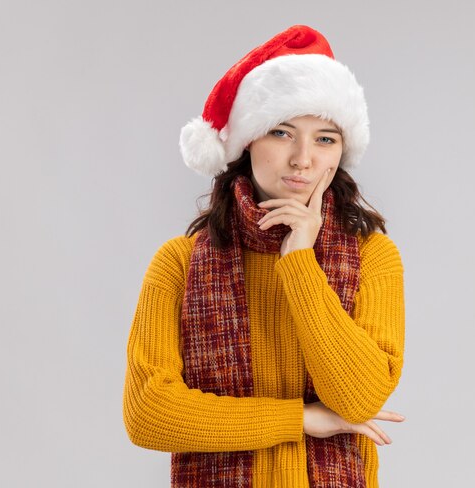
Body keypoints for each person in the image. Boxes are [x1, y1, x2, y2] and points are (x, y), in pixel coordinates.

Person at [123, 25, 406, 487]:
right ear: (248, 140)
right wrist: (299, 419)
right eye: (281, 132)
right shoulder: (179, 263)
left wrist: (299, 263)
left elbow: (359, 397)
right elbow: (149, 414)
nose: (302, 159)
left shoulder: (371, 255)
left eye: (325, 138)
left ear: (341, 152)